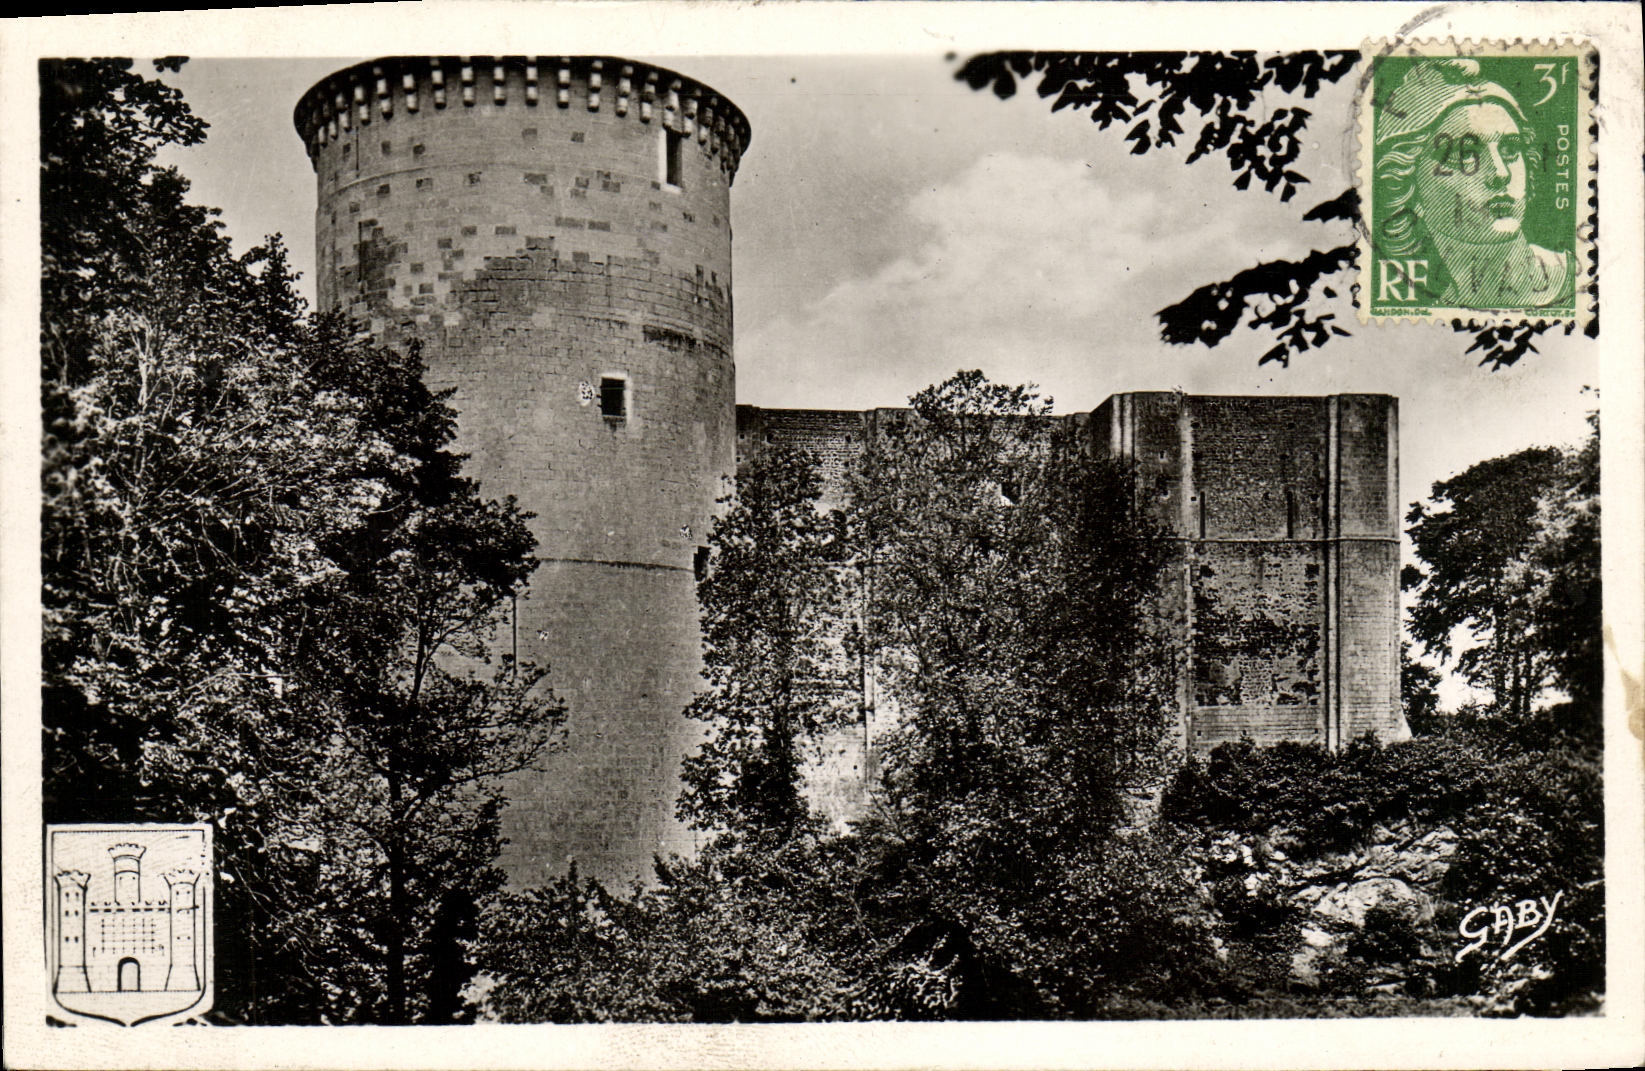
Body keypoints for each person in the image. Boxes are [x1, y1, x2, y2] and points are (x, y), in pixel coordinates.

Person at [1375, 58, 1574, 310]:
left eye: (1511, 149)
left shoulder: (1579, 280)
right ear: (1407, 186)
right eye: (1467, 154)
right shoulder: (1425, 305)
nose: (1501, 174)